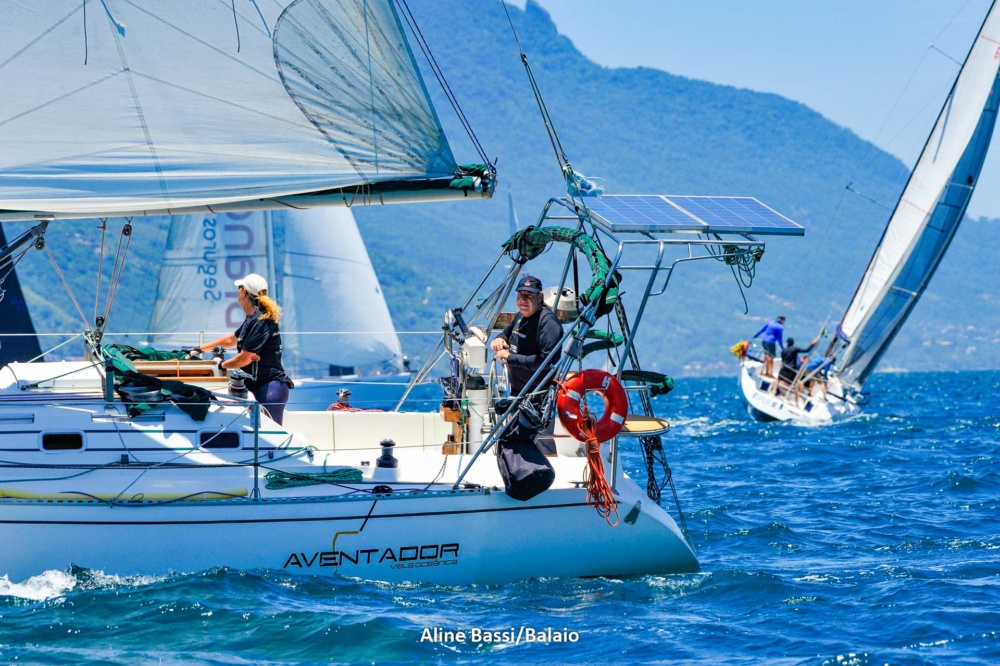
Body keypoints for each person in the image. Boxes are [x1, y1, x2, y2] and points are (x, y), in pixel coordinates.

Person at [195, 273, 292, 425]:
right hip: (260, 385)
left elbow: (244, 358)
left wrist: (220, 365)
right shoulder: (253, 318)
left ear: (244, 292)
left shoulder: (261, 321)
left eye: (239, 288)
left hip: (270, 389)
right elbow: (231, 340)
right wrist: (200, 349)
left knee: (271, 435)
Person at [490, 274, 563, 454]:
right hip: (518, 393)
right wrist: (500, 339)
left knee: (543, 444)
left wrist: (509, 357)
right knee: (520, 445)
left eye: (529, 295)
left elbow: (545, 362)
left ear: (540, 297)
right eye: (520, 294)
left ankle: (551, 470)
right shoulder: (520, 317)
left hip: (538, 397)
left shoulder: (548, 323)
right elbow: (507, 333)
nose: (523, 299)